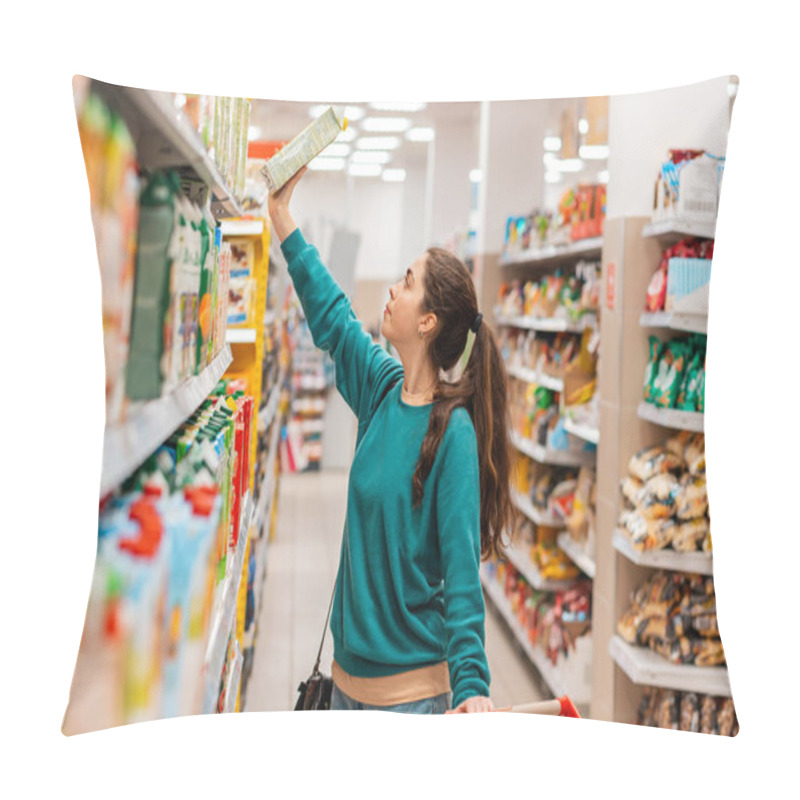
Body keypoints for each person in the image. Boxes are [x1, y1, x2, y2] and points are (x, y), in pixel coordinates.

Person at [268, 166, 513, 714]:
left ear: (427, 321)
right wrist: (283, 218)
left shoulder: (452, 435)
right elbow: (334, 320)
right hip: (345, 686)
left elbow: (460, 570)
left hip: (410, 700)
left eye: (406, 281)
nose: (392, 289)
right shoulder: (381, 389)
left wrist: (472, 686)